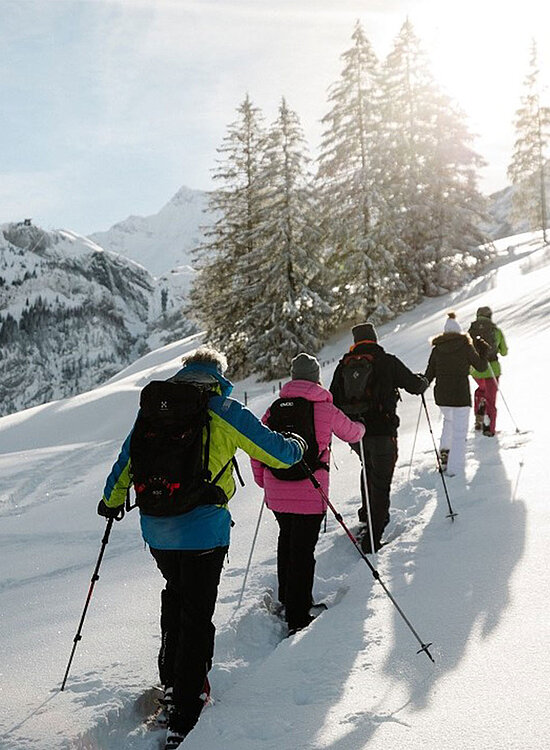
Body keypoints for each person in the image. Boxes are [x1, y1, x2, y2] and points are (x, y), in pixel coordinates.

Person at [98, 346, 305, 750]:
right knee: (196, 613)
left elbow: (126, 461)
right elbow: (277, 454)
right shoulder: (223, 410)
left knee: (175, 594)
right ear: (219, 374)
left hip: (156, 529)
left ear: (185, 372)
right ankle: (186, 710)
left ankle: (173, 683)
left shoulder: (153, 410)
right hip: (203, 531)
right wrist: (296, 444)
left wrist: (110, 501)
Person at [250, 353, 365, 636]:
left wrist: (263, 481)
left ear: (292, 377)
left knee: (286, 541)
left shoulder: (274, 409)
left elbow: (257, 447)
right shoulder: (324, 407)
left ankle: (286, 600)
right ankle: (298, 616)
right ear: (316, 377)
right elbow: (352, 434)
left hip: (277, 489)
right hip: (310, 489)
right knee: (303, 551)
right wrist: (362, 425)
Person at [329, 323, 428, 553]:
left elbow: (332, 400)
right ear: (374, 339)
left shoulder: (344, 365)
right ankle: (373, 538)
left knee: (369, 467)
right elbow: (415, 386)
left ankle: (366, 515)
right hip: (382, 431)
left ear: (355, 341)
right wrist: (422, 381)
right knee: (381, 481)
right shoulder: (386, 361)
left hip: (355, 433)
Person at [424, 312, 488, 477]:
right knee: (460, 433)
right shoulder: (466, 346)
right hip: (460, 395)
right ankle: (455, 470)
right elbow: (481, 367)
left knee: (449, 421)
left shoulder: (437, 349)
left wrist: (419, 385)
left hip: (442, 397)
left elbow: (429, 375)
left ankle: (445, 452)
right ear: (459, 331)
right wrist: (483, 352)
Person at [468, 306, 508, 437]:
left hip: (476, 370)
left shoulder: (471, 331)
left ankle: (479, 414)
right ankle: (489, 428)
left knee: (481, 389)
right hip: (492, 369)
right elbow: (504, 352)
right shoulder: (496, 331)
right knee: (491, 398)